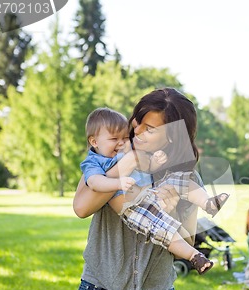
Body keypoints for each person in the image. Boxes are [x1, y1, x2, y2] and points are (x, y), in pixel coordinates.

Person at [73, 88, 209, 290]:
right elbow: (82, 207)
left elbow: (188, 242)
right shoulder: (107, 157)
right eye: (138, 121)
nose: (137, 131)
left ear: (172, 136)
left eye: (150, 128)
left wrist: (172, 211)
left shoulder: (186, 177)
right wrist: (126, 163)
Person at [78, 107, 229, 275]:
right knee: (161, 228)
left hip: (153, 195)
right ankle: (195, 256)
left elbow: (148, 167)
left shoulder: (131, 151)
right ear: (94, 142)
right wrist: (118, 180)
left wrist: (156, 163)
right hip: (133, 207)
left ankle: (208, 203)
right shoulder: (95, 161)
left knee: (182, 180)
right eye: (115, 139)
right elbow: (93, 184)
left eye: (125, 138)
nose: (122, 143)